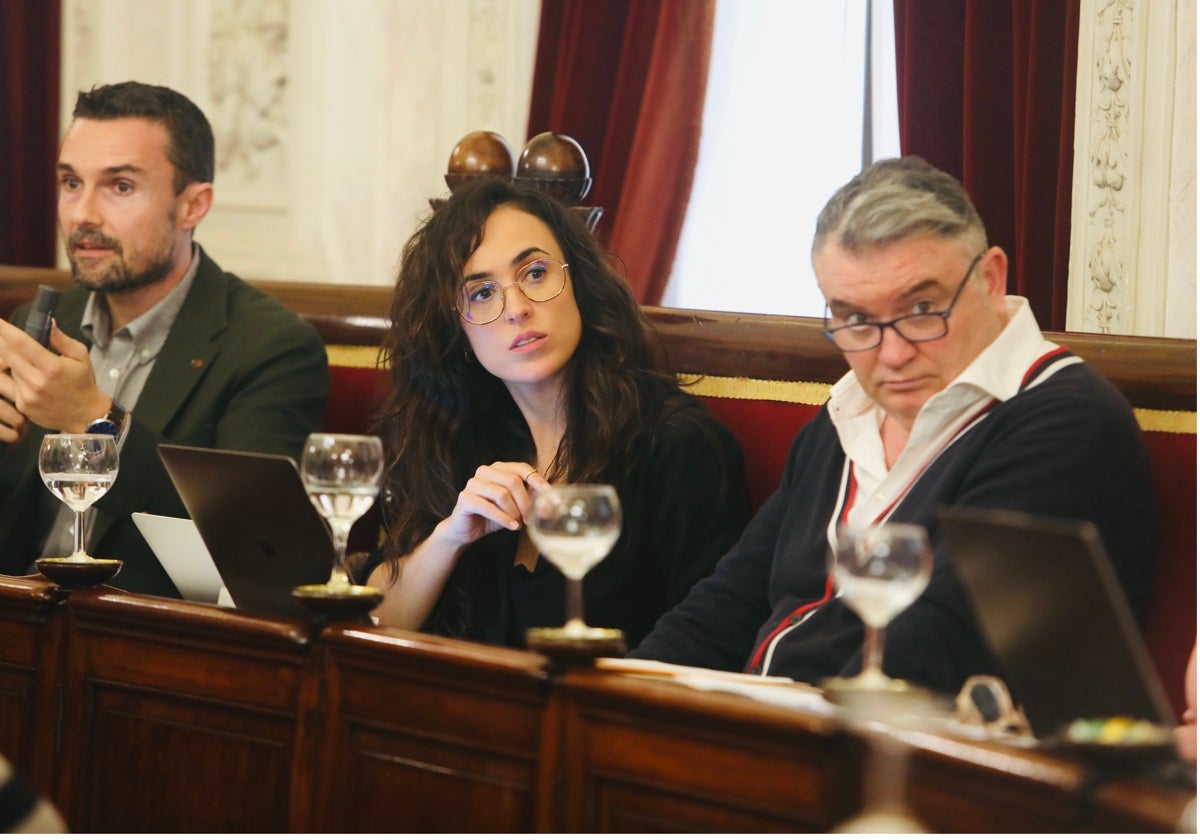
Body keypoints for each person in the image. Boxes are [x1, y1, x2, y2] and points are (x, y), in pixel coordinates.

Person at [630, 156, 1157, 695]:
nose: (893, 354)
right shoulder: (845, 413)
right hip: (783, 739)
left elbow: (935, 660)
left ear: (991, 279)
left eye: (922, 307)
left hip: (927, 762)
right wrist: (623, 696)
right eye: (857, 320)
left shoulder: (1065, 421)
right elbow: (730, 600)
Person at [364, 178, 751, 648]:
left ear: (579, 283)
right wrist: (450, 538)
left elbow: (717, 638)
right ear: (456, 331)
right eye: (482, 293)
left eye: (535, 272)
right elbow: (370, 624)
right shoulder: (461, 440)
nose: (517, 309)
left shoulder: (676, 445)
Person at [0, 81, 329, 597]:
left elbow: (259, 549)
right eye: (70, 183)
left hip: (152, 646)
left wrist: (96, 420)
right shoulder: (39, 323)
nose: (82, 214)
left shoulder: (271, 348)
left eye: (120, 187)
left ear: (193, 206)